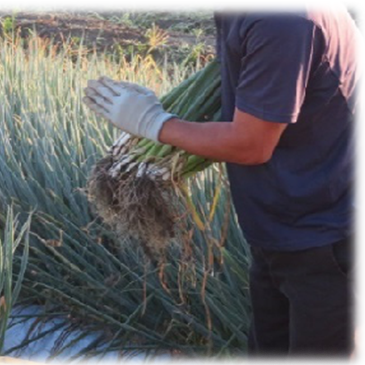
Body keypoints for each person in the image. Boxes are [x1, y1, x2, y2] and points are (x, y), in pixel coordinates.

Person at [83, 2, 364, 365]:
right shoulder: (240, 6)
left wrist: (156, 125)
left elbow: (251, 144)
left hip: (328, 233)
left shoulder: (282, 20)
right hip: (282, 227)